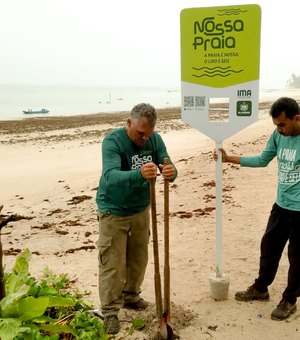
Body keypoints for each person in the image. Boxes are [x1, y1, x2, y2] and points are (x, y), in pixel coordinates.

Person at [214, 97, 300, 321]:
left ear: (296, 119)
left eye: (282, 125)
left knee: (297, 257)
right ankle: (261, 288)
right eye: (276, 125)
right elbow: (262, 160)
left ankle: (290, 299)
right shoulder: (278, 136)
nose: (278, 130)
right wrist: (228, 159)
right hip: (281, 205)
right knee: (269, 246)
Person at [96, 103, 177, 334]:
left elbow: (167, 162)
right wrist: (139, 174)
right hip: (113, 209)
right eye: (141, 133)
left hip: (141, 209)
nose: (145, 139)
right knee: (113, 262)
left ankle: (131, 296)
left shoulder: (154, 139)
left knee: (138, 258)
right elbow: (110, 176)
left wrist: (171, 171)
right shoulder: (113, 141)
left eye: (148, 134)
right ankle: (110, 311)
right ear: (128, 123)